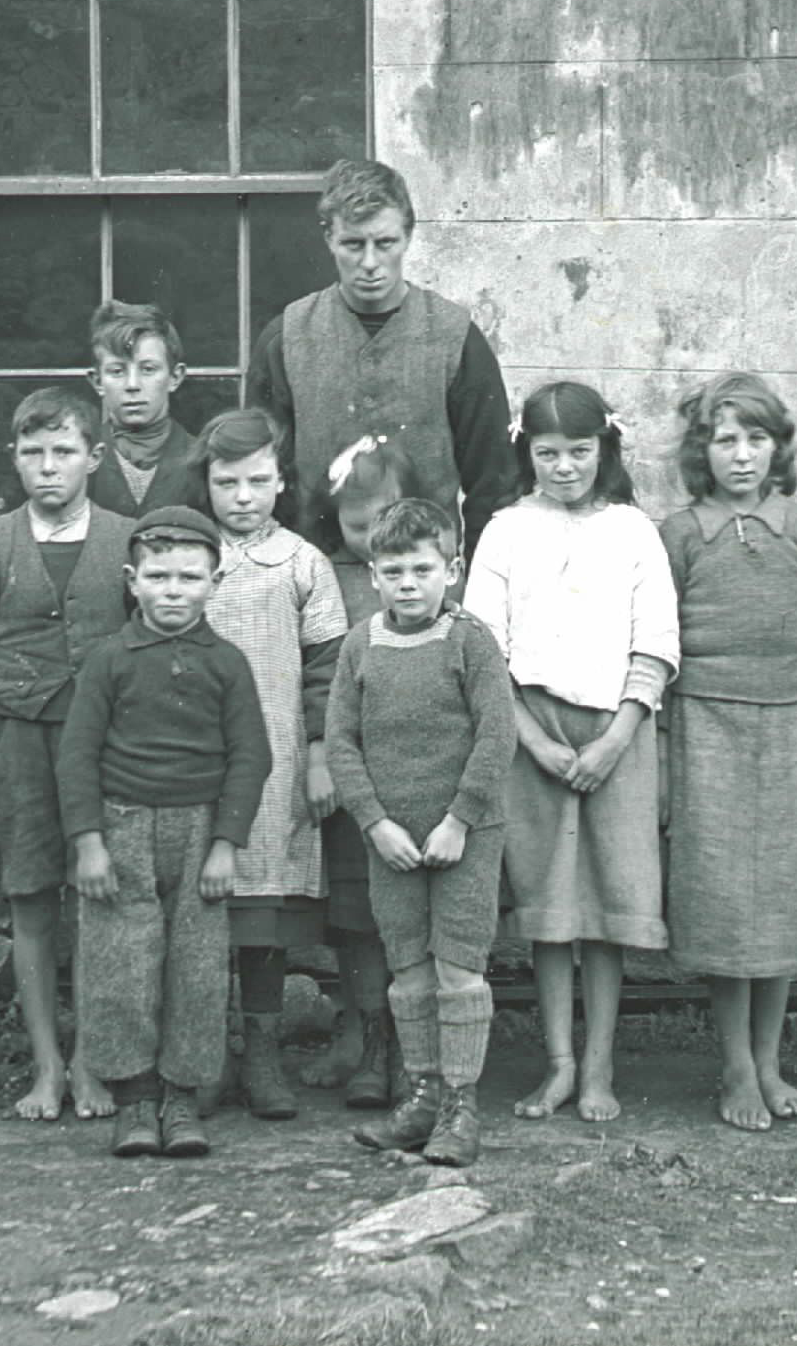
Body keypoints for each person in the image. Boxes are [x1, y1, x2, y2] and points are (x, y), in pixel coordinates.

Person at [466, 381, 679, 1125]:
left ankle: (599, 1065)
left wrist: (617, 736)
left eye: (579, 452)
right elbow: (482, 647)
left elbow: (655, 641)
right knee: (550, 906)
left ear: (605, 449)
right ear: (526, 450)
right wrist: (532, 740)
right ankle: (557, 1062)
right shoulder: (503, 531)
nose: (563, 467)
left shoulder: (632, 530)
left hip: (618, 732)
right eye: (548, 453)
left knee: (608, 906)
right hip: (532, 731)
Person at [658, 373, 797, 1132]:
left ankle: (771, 1061)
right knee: (721, 898)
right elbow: (660, 646)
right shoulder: (680, 533)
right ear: (700, 450)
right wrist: (666, 755)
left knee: (776, 897)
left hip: (796, 728)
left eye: (755, 438)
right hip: (707, 725)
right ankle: (735, 1066)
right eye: (724, 439)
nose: (740, 455)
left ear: (777, 447)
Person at [0, 383, 129, 1123]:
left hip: (102, 745)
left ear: (93, 457)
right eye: (33, 452)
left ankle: (91, 1064)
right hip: (14, 739)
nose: (48, 467)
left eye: (64, 451)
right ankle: (45, 1065)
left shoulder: (125, 538)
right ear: (13, 460)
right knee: (30, 899)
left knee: (99, 900)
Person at [57, 506, 272, 1159]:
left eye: (188, 576)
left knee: (198, 967)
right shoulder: (109, 660)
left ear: (214, 581)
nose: (173, 590)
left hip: (200, 830)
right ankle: (136, 1101)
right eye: (158, 576)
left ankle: (183, 1100)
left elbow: (250, 754)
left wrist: (226, 843)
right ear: (132, 579)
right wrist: (89, 841)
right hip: (123, 826)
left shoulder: (227, 663)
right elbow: (77, 754)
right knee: (123, 963)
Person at [325, 497, 517, 1168]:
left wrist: (460, 818)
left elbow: (498, 734)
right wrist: (375, 822)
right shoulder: (360, 645)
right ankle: (424, 1097)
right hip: (393, 843)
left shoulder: (471, 641)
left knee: (458, 968)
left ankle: (462, 1105)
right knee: (407, 970)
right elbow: (340, 743)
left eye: (422, 568)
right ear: (373, 575)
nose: (409, 583)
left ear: (453, 569)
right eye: (394, 570)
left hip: (463, 837)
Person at [184, 407, 348, 1120]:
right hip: (199, 758)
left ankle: (263, 1053)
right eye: (227, 481)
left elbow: (326, 669)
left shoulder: (302, 562)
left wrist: (317, 754)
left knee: (264, 917)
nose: (243, 496)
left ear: (281, 481)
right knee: (202, 911)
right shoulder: (189, 555)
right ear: (208, 483)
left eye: (257, 480)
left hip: (279, 759)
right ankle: (206, 1055)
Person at [249, 159, 517, 558]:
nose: (370, 263)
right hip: (317, 575)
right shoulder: (286, 337)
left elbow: (493, 482)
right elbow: (259, 474)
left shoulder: (455, 337)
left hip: (428, 575)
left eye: (385, 243)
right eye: (354, 245)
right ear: (329, 238)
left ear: (408, 236)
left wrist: (477, 581)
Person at [299, 436, 426, 1109]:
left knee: (407, 913)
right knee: (354, 913)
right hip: (352, 775)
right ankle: (359, 1031)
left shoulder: (420, 576)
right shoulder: (326, 576)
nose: (371, 539)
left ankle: (408, 1047)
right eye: (354, 525)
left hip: (414, 773)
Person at [86, 300, 195, 520]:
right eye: (117, 371)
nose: (132, 384)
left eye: (148, 369)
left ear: (175, 377)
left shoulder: (203, 458)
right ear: (97, 381)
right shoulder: (80, 459)